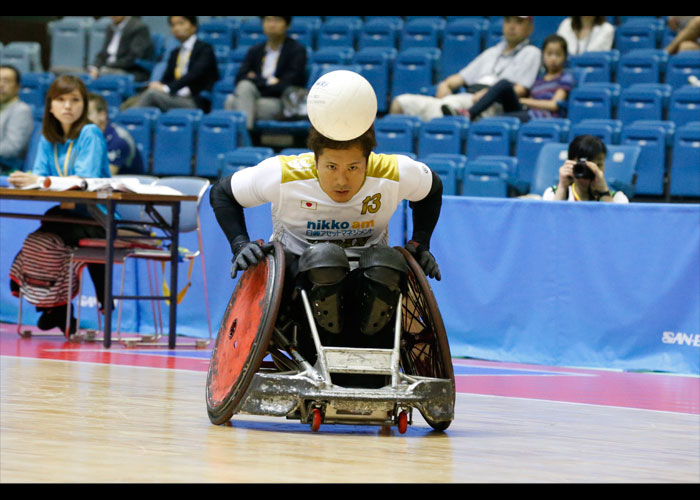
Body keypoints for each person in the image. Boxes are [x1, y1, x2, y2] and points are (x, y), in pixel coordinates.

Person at [210, 71, 443, 384]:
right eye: (331, 167)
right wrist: (240, 243)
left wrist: (420, 245)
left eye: (353, 168)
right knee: (325, 257)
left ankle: (370, 366)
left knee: (389, 260)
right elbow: (221, 193)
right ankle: (316, 356)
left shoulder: (393, 172)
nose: (342, 180)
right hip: (298, 287)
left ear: (369, 161)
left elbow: (432, 189)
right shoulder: (284, 174)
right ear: (314, 161)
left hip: (368, 283)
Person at [8, 75, 112, 334]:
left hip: (97, 217)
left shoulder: (90, 133)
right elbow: (38, 174)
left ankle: (57, 310)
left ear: (83, 105)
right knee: (36, 240)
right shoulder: (47, 137)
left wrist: (39, 180)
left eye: (75, 100)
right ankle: (54, 309)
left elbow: (83, 179)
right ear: (50, 106)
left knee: (47, 237)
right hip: (67, 215)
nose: (68, 106)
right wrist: (23, 180)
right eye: (61, 100)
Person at [389, 16, 541, 122]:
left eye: (519, 22)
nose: (512, 26)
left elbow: (519, 90)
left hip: (490, 105)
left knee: (443, 110)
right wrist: (445, 85)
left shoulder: (531, 52)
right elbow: (458, 79)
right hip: (464, 98)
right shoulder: (491, 52)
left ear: (530, 28)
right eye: (508, 20)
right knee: (399, 103)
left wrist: (488, 94)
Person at [441, 34, 575, 122]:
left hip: (542, 117)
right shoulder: (538, 78)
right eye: (549, 54)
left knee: (495, 120)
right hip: (525, 111)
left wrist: (525, 101)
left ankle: (470, 115)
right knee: (504, 84)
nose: (553, 59)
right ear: (543, 55)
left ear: (565, 57)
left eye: (558, 54)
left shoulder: (565, 78)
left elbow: (554, 105)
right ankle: (469, 113)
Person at [225, 16, 308, 131]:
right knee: (243, 87)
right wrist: (268, 82)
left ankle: (242, 136)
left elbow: (289, 83)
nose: (272, 25)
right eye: (268, 20)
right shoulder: (255, 50)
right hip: (252, 96)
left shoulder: (296, 50)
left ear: (287, 25)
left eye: (277, 20)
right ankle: (245, 133)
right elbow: (240, 77)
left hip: (280, 101)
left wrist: (256, 80)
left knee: (231, 102)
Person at [134, 16, 219, 112]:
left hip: (194, 100)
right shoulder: (175, 52)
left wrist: (167, 88)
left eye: (181, 23)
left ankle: (129, 121)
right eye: (173, 25)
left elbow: (194, 75)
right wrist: (159, 84)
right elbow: (167, 78)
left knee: (152, 95)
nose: (177, 28)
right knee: (143, 94)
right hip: (173, 96)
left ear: (194, 26)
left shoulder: (205, 49)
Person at [542, 134, 629, 203]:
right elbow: (551, 222)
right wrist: (562, 187)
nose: (590, 170)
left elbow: (615, 224)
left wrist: (604, 192)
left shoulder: (617, 199)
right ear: (570, 164)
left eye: (598, 165)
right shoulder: (553, 193)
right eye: (583, 165)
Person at [87, 92, 144, 175]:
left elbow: (106, 176)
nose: (82, 119)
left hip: (126, 185)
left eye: (88, 114)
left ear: (102, 115)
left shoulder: (118, 139)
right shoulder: (86, 136)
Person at [88, 16, 154, 83]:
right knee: (81, 75)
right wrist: (95, 68)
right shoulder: (110, 27)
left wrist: (107, 66)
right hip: (108, 69)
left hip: (129, 71)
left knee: (100, 76)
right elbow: (103, 53)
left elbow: (133, 57)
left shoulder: (139, 28)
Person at [0, 65, 34, 173]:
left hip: (7, 170)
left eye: (6, 81)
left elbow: (11, 148)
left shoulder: (21, 110)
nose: (1, 85)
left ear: (17, 87)